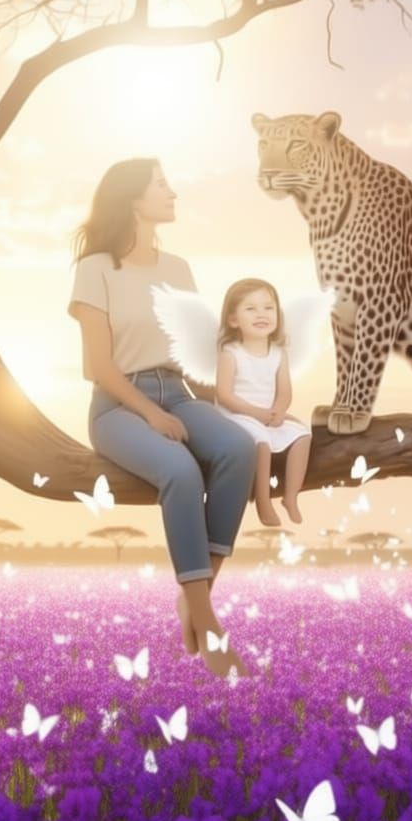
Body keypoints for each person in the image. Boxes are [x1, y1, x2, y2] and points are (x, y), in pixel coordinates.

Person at [68, 158, 257, 679]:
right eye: (161, 185)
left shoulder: (178, 269)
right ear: (132, 198)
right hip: (118, 405)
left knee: (238, 449)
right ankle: (208, 624)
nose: (173, 192)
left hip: (180, 393)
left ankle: (195, 599)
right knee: (179, 470)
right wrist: (149, 413)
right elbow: (98, 366)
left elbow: (195, 356)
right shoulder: (95, 268)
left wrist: (233, 410)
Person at [214, 279, 313, 527]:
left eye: (268, 308)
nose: (262, 314)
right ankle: (263, 500)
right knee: (262, 441)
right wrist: (256, 413)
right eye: (251, 309)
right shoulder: (231, 353)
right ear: (233, 319)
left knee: (302, 434)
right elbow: (225, 395)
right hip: (236, 414)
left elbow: (285, 391)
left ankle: (291, 496)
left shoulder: (278, 354)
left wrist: (279, 410)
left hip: (267, 414)